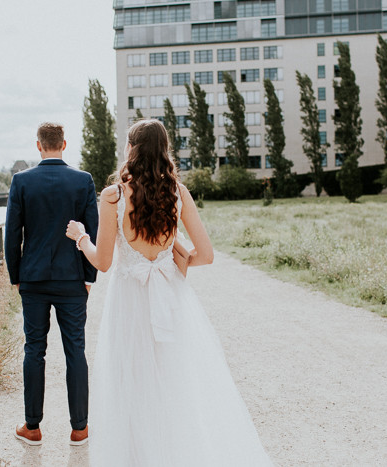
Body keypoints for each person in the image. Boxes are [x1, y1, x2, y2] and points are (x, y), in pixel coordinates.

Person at [66, 119, 272, 466]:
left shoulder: (113, 195)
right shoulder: (177, 192)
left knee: (130, 386)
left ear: (131, 148)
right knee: (174, 383)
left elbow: (102, 262)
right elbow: (205, 255)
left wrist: (81, 238)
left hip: (128, 300)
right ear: (164, 149)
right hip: (169, 295)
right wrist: (178, 254)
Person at [5, 122, 98, 446]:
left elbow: (12, 233)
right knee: (76, 350)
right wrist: (89, 276)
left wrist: (16, 277)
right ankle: (80, 429)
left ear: (39, 146)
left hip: (33, 278)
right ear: (65, 143)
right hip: (73, 278)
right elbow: (92, 230)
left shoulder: (22, 181)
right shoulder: (82, 180)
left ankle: (32, 427)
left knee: (34, 350)